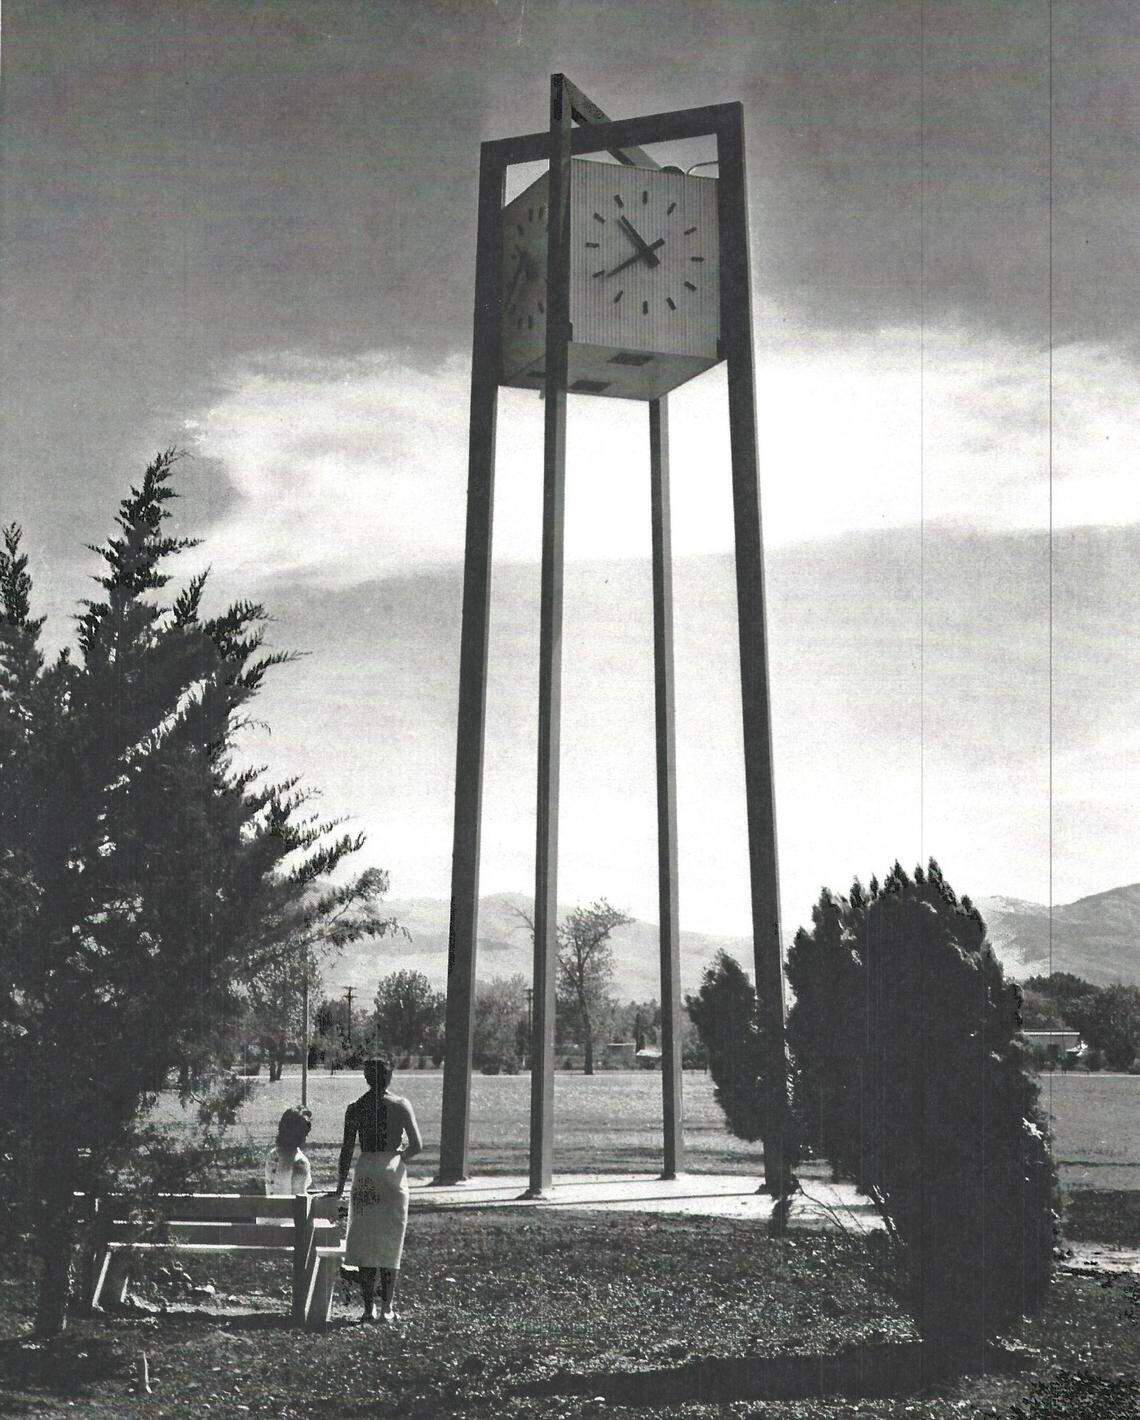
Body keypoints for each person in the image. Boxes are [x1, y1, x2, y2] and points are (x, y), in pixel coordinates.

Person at [331, 1055, 423, 1322]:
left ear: (366, 1078)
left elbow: (347, 1150)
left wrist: (339, 1187)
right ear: (390, 1076)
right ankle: (388, 1307)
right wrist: (398, 1158)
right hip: (392, 1170)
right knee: (390, 1239)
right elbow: (417, 1144)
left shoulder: (356, 1107)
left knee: (365, 1239)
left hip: (367, 1169)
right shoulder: (400, 1105)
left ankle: (368, 1306)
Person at [264, 1106, 313, 1197]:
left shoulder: (273, 1155)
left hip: (275, 1209)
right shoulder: (299, 1162)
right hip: (282, 1209)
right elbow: (298, 1202)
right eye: (304, 1132)